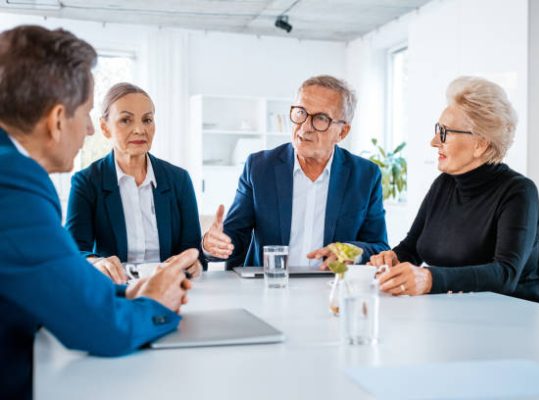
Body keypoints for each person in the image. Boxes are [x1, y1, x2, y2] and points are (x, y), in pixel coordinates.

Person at [0, 25, 197, 400]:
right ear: (57, 119)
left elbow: (53, 280)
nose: (91, 129)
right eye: (88, 114)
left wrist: (126, 293)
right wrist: (153, 303)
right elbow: (102, 329)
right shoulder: (13, 181)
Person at [370, 76, 539, 303]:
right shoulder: (445, 183)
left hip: (510, 317)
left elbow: (505, 274)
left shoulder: (518, 192)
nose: (434, 141)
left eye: (445, 132)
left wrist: (431, 279)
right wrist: (393, 259)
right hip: (455, 312)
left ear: (480, 144)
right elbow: (411, 248)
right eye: (437, 130)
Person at [202, 75, 389, 268]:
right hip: (270, 287)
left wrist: (350, 251)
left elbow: (379, 247)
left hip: (331, 289)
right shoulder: (259, 167)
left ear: (342, 132)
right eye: (300, 113)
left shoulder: (365, 176)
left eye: (321, 118)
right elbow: (233, 238)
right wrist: (211, 245)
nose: (305, 127)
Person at [65, 82, 207, 284]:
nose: (140, 130)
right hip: (115, 290)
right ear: (105, 128)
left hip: (172, 287)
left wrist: (193, 263)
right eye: (125, 120)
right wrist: (95, 263)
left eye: (147, 120)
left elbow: (193, 251)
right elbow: (74, 251)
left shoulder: (179, 179)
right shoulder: (86, 182)